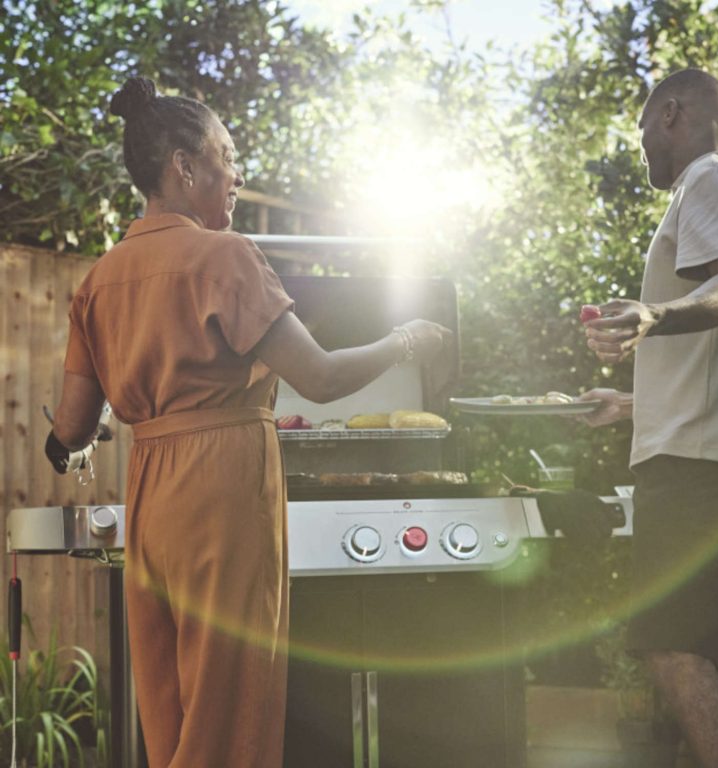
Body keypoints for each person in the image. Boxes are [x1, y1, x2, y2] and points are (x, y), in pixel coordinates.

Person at [47, 76, 450, 768]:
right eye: (227, 156)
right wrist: (406, 340)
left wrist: (61, 445)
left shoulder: (100, 280)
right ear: (185, 167)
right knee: (231, 706)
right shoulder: (224, 256)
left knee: (169, 700)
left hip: (150, 492)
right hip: (224, 489)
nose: (237, 174)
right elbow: (319, 379)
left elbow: (74, 429)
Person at [580, 68, 718, 768]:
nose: (641, 146)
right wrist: (634, 404)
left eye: (641, 129)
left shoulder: (709, 179)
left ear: (671, 113)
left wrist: (652, 314)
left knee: (670, 650)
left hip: (696, 465)